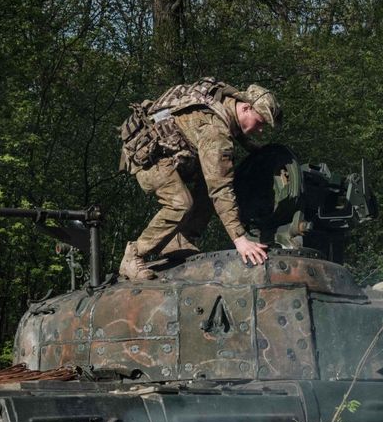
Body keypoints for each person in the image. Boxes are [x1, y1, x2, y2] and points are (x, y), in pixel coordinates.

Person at [117, 79, 281, 280]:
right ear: (246, 107)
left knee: (210, 181)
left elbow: (234, 130)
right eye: (260, 122)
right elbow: (220, 189)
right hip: (148, 157)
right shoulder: (215, 132)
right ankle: (134, 254)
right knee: (180, 203)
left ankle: (180, 239)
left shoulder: (227, 102)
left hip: (169, 150)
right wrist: (240, 239)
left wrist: (255, 149)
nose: (261, 130)